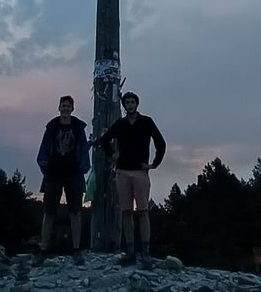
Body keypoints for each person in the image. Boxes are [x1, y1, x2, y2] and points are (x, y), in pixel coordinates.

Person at [96, 92, 166, 268]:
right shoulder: (120, 124)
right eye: (127, 102)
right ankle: (130, 251)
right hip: (122, 172)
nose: (130, 105)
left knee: (143, 212)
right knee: (126, 212)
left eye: (132, 102)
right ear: (124, 105)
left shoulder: (146, 122)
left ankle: (146, 252)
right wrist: (113, 155)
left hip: (140, 172)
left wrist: (153, 164)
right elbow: (103, 141)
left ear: (137, 104)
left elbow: (160, 143)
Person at [35, 95, 90, 266]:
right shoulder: (52, 127)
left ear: (72, 109)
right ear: (59, 108)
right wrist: (45, 167)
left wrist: (83, 168)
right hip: (54, 173)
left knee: (75, 212)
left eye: (68, 106)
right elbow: (43, 149)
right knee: (49, 212)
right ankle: (43, 249)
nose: (65, 108)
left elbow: (83, 149)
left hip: (73, 173)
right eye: (63, 105)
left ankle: (76, 250)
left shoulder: (78, 128)